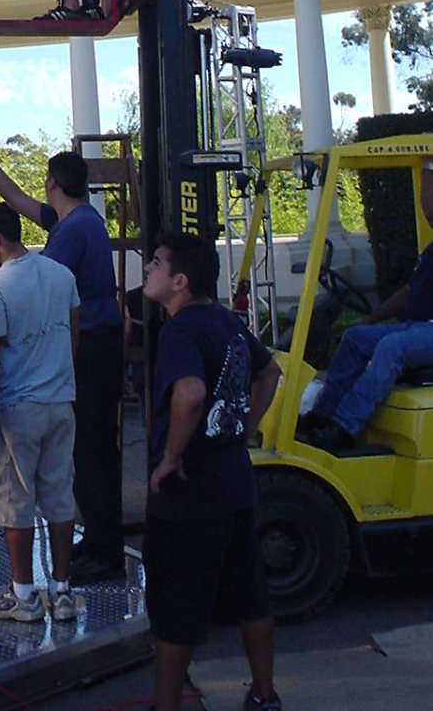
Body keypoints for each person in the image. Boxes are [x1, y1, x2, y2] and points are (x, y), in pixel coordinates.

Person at [0, 122, 125, 584]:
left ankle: (105, 549)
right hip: (100, 343)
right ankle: (98, 541)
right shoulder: (79, 220)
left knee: (91, 453)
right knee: (86, 451)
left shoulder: (72, 232)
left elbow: (36, 292)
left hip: (93, 350)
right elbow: (16, 199)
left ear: (54, 183)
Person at [142, 232, 282, 711]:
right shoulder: (227, 322)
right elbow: (270, 373)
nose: (148, 268)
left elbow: (191, 394)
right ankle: (265, 696)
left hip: (190, 495)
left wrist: (170, 458)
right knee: (250, 596)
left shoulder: (179, 331)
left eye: (156, 263)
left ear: (179, 281)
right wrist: (244, 428)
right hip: (235, 485)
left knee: (175, 615)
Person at [0, 204, 80, 623]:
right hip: (60, 401)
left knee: (14, 499)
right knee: (58, 495)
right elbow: (73, 332)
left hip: (16, 405)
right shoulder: (61, 275)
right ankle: (62, 591)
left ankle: (23, 595)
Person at [301, 155, 433, 451]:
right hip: (417, 328)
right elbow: (409, 293)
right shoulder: (431, 251)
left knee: (391, 348)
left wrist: (427, 164)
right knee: (355, 338)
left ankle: (344, 427)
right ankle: (320, 416)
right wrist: (370, 319)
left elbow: (430, 209)